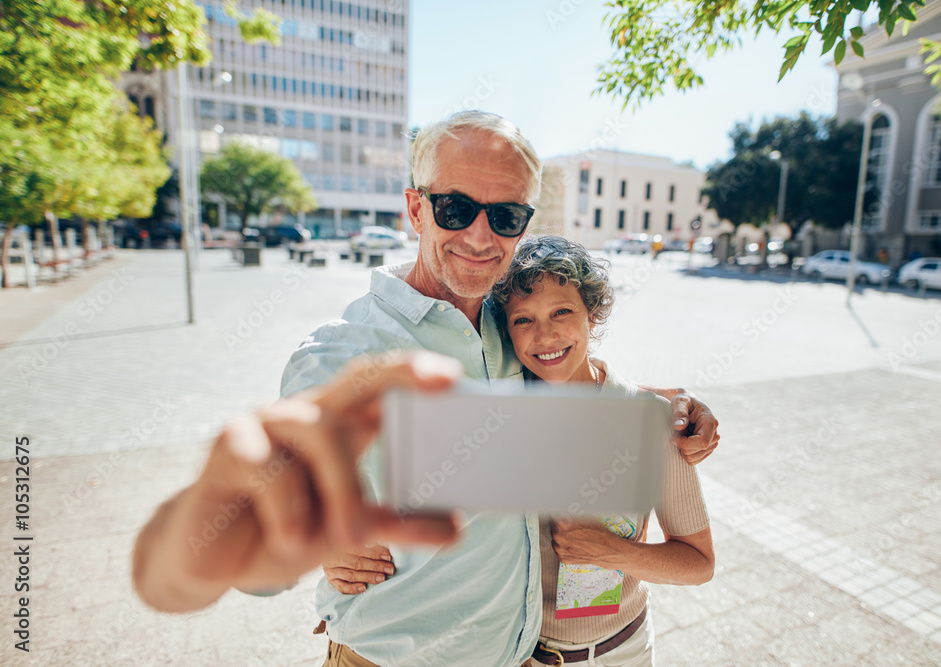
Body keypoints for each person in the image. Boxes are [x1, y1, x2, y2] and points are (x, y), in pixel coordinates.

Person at [132, 111, 720, 666]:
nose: (481, 236)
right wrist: (218, 524)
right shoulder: (343, 352)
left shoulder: (511, 323)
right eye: (456, 208)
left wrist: (670, 404)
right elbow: (224, 559)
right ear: (416, 209)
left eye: (506, 216)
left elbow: (573, 375)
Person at [492, 235, 713, 666]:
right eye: (523, 320)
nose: (546, 335)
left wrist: (615, 553)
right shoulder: (499, 417)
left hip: (620, 653)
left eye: (562, 311)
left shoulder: (650, 423)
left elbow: (699, 562)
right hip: (518, 654)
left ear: (592, 316)